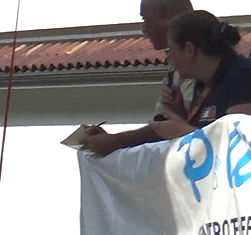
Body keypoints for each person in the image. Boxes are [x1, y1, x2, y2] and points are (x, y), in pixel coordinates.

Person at [82, 1, 198, 157]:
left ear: (164, 16)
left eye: (144, 19)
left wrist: (115, 142)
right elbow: (165, 127)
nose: (143, 29)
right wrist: (111, 140)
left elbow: (169, 129)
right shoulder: (178, 63)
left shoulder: (203, 63)